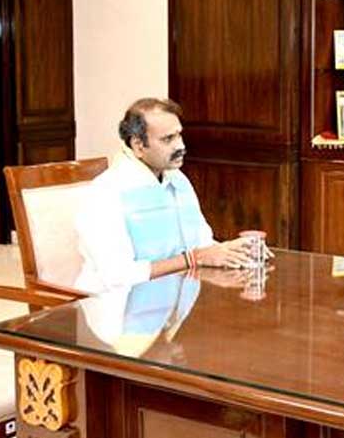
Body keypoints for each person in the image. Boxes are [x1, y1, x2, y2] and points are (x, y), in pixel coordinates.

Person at [75, 97, 253, 293]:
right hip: (114, 303)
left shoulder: (177, 179)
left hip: (174, 297)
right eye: (168, 139)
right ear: (138, 146)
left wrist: (233, 251)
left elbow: (201, 244)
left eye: (179, 135)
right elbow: (118, 275)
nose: (180, 146)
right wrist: (194, 258)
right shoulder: (106, 192)